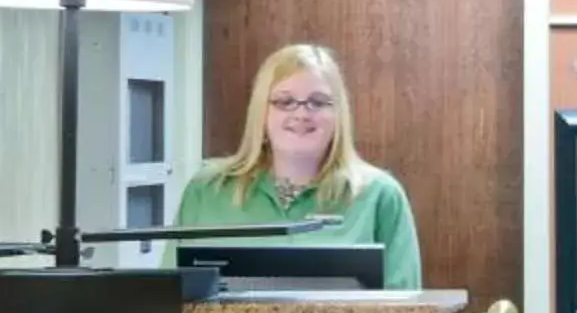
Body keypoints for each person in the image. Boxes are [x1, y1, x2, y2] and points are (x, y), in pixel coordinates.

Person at [175, 42, 423, 287]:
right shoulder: (207, 189)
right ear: (261, 113)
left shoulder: (380, 195)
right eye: (285, 102)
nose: (302, 114)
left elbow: (406, 311)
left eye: (318, 102)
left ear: (339, 115)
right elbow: (168, 299)